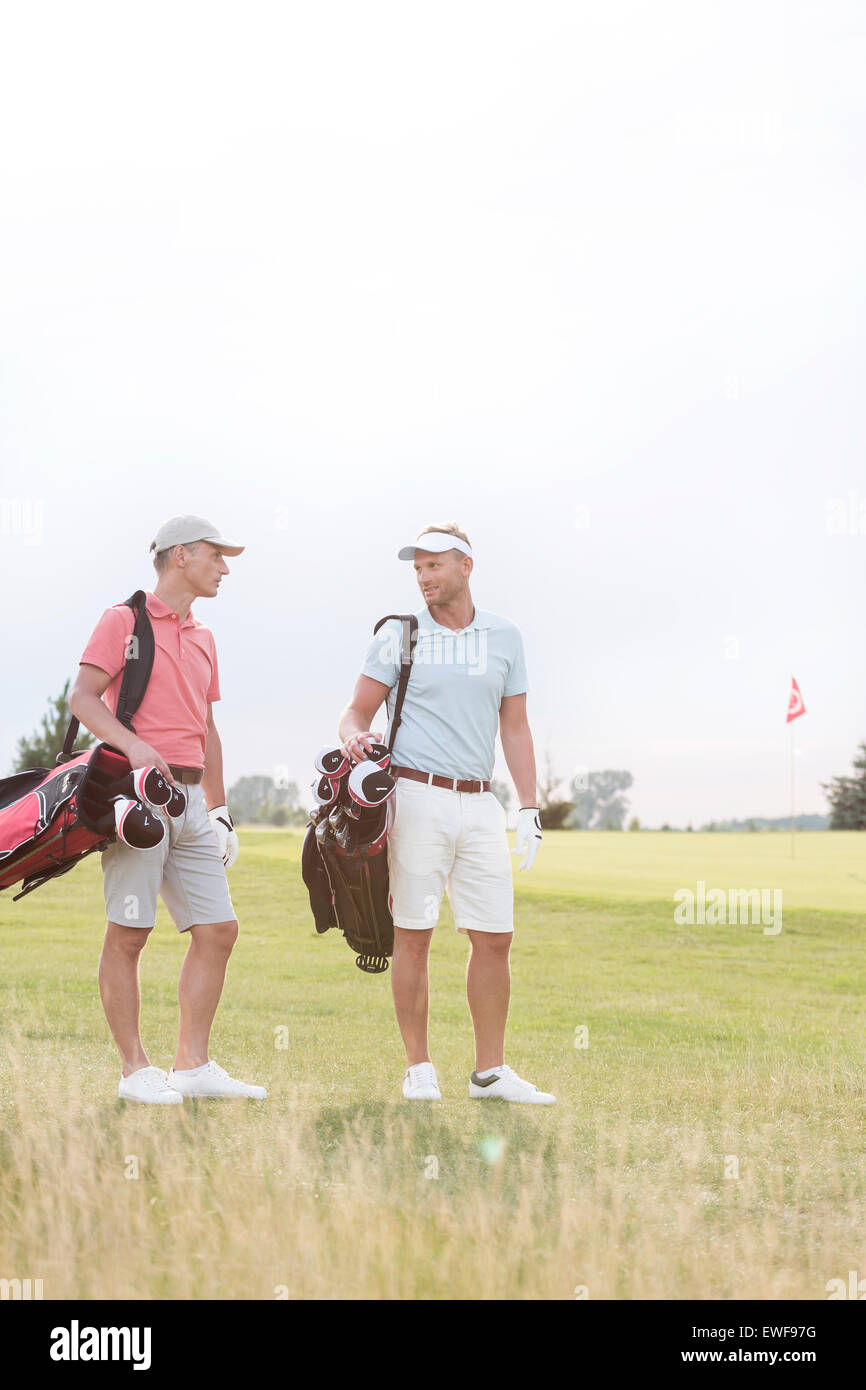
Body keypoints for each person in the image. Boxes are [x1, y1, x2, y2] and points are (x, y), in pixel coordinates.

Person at [338, 522, 555, 1104]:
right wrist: (355, 738)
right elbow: (356, 712)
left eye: (434, 565)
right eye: (418, 569)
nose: (424, 578)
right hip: (414, 798)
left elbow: (515, 727)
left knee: (495, 938)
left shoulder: (505, 637)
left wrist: (529, 807)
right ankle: (419, 1066)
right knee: (413, 934)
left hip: (481, 802)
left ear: (466, 566)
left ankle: (490, 1073)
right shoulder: (401, 636)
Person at [68, 515, 265, 1104]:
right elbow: (81, 696)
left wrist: (221, 807)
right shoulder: (122, 620)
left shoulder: (204, 636)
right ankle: (135, 1071)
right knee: (130, 933)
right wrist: (134, 747)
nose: (224, 567)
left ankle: (192, 1065)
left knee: (218, 930)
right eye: (215, 556)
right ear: (180, 555)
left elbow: (207, 727)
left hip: (190, 804)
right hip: (137, 800)